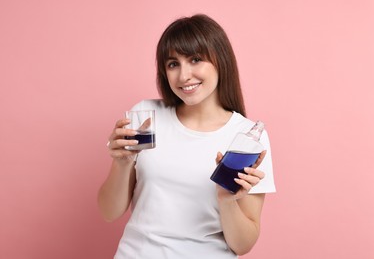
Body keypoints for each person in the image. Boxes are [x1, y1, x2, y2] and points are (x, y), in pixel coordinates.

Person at [98, 14, 276, 259]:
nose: (184, 76)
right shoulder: (146, 117)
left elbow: (242, 245)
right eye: (173, 64)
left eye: (195, 60)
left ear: (220, 61)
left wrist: (227, 201)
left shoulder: (246, 137)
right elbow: (109, 212)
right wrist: (122, 162)